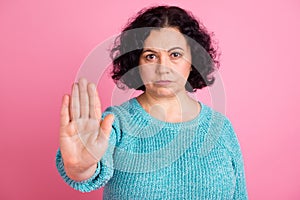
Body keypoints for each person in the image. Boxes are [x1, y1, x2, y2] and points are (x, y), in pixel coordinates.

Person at [56, 5, 248, 199]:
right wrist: (81, 168)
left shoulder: (221, 128)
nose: (163, 67)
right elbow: (89, 169)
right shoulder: (115, 124)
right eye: (151, 56)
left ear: (193, 61)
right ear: (136, 64)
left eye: (175, 55)